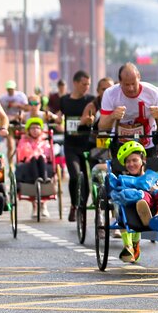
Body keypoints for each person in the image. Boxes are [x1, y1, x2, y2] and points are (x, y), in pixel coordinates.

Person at [108, 141, 158, 263]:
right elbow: (117, 195)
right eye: (128, 162)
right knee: (143, 197)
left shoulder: (156, 175)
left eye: (134, 160)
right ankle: (134, 238)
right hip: (141, 204)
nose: (131, 164)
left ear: (143, 160)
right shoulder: (124, 180)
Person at [97, 63, 158, 150]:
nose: (131, 88)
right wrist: (112, 116)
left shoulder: (154, 93)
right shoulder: (110, 93)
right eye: (127, 85)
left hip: (148, 145)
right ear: (120, 82)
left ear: (139, 77)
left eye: (133, 84)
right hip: (120, 145)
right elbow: (102, 127)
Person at [58, 70, 94, 223]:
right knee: (74, 176)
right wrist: (57, 122)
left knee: (86, 179)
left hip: (87, 144)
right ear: (75, 83)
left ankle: (82, 207)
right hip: (71, 145)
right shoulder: (65, 100)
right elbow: (60, 118)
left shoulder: (91, 100)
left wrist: (90, 121)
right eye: (84, 84)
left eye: (88, 84)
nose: (86, 87)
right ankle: (74, 204)